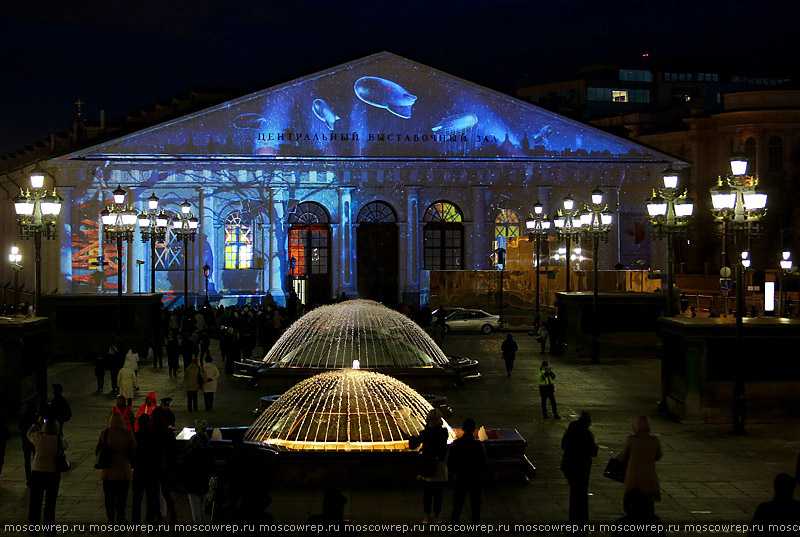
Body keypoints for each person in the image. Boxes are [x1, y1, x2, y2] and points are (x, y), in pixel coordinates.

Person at [408, 408, 449, 524]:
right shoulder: (444, 432)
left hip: (428, 464)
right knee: (438, 493)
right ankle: (438, 516)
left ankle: (427, 516)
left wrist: (411, 437)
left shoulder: (425, 433)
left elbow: (413, 445)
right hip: (440, 465)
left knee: (427, 492)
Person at [96, 412, 137, 524]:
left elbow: (97, 450)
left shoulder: (105, 433)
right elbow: (134, 452)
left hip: (108, 472)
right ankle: (120, 517)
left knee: (109, 498)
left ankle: (110, 518)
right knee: (122, 498)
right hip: (123, 471)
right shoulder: (127, 434)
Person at [27, 416, 67, 528]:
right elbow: (65, 446)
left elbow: (29, 433)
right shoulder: (58, 439)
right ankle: (49, 526)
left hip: (37, 471)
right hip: (52, 471)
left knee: (35, 501)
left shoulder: (38, 437)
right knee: (50, 501)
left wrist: (37, 424)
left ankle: (33, 526)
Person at [561, 412, 598, 530]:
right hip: (582, 466)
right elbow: (593, 452)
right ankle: (582, 519)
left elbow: (563, 445)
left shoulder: (570, 431)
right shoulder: (587, 434)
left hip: (569, 465)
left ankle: (573, 518)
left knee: (574, 492)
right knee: (582, 493)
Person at [447, 417, 487, 524]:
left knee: (457, 506)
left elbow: (450, 463)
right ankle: (475, 529)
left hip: (460, 478)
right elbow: (483, 464)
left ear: (463, 428)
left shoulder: (456, 444)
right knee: (475, 507)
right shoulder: (477, 445)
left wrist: (454, 474)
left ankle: (454, 528)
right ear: (474, 429)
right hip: (475, 479)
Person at [619, 416, 662, 502]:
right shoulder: (654, 440)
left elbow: (623, 456)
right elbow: (658, 456)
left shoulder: (631, 440)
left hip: (634, 475)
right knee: (648, 499)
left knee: (633, 499)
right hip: (649, 475)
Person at [131, 414, 161, 525]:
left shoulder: (136, 436)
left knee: (137, 498)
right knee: (151, 497)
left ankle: (135, 519)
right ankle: (150, 519)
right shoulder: (154, 436)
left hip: (139, 471)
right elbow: (157, 454)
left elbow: (132, 453)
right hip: (151, 471)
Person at [184, 421, 216, 523]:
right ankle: (202, 522)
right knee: (202, 502)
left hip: (192, 478)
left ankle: (198, 524)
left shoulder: (193, 442)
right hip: (203, 477)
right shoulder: (207, 443)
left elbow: (186, 459)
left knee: (194, 504)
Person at [19, 401, 39, 486]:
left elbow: (20, 427)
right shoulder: (35, 417)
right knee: (35, 459)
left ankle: (29, 479)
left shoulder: (23, 416)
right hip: (34, 441)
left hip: (26, 441)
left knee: (27, 460)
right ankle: (35, 478)